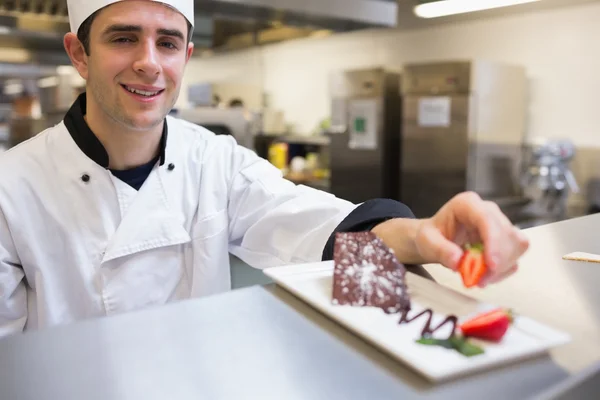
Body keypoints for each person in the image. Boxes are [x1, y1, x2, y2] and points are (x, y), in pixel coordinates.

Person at [0, 0, 529, 338]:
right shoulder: (13, 185)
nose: (149, 63)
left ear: (187, 53)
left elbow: (317, 227)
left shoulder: (215, 159)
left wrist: (424, 234)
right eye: (123, 38)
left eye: (166, 42)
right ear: (79, 53)